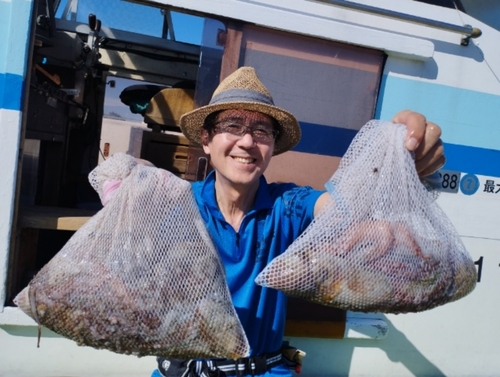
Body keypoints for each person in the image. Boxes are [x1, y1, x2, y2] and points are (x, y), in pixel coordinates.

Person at [140, 66, 444, 377]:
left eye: (261, 131)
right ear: (206, 140)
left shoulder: (287, 206)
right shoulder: (176, 202)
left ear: (272, 145)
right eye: (232, 125)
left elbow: (345, 207)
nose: (247, 142)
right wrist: (132, 174)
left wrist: (400, 157)